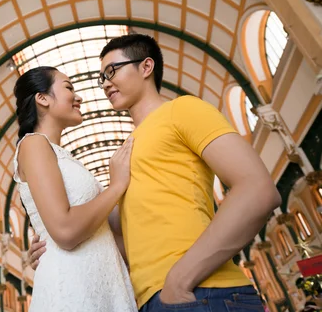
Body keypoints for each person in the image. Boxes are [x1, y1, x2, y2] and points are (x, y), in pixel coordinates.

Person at [29, 34, 281, 312]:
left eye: (112, 71)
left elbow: (258, 190)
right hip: (150, 300)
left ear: (146, 67)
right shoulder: (125, 153)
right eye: (102, 77)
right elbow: (121, 237)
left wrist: (179, 280)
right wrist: (51, 248)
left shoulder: (182, 109)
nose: (105, 83)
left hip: (203, 293)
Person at [12, 66, 137, 311]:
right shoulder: (33, 144)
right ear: (42, 98)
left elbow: (113, 230)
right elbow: (66, 230)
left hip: (101, 285)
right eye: (69, 88)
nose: (78, 96)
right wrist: (117, 186)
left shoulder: (66, 158)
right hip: (72, 287)